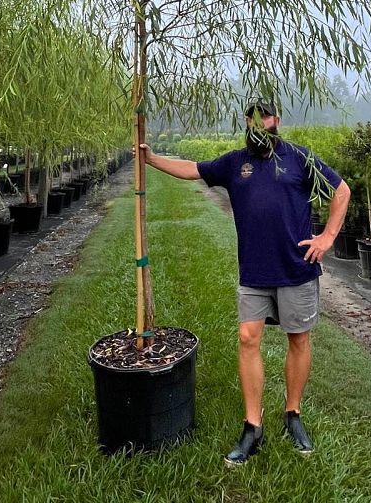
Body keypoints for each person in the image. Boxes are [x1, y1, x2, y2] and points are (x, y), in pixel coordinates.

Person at [140, 99, 350, 464]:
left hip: (295, 268)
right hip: (254, 270)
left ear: (276, 120)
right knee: (247, 338)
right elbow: (193, 168)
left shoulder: (300, 158)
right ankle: (253, 426)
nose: (258, 122)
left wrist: (328, 237)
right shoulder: (235, 163)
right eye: (251, 117)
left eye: (264, 116)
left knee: (298, 338)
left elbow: (342, 191)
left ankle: (293, 415)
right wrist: (152, 159)